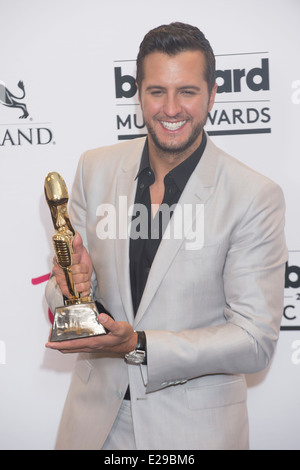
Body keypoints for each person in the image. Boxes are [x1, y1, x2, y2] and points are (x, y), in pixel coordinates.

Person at [45, 22, 287, 450]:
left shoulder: (253, 196)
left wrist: (139, 345)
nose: (171, 109)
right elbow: (64, 296)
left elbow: (254, 341)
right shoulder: (95, 169)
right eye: (157, 91)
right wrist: (70, 287)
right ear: (138, 93)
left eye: (187, 92)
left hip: (193, 433)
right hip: (93, 426)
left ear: (212, 94)